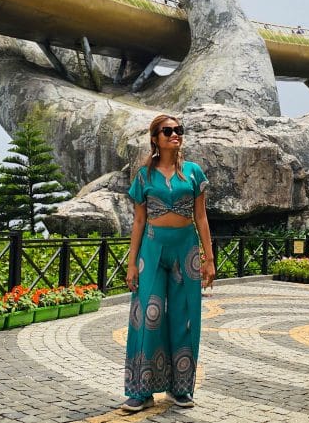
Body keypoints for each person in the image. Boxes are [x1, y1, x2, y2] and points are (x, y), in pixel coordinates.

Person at [122, 115, 215, 412]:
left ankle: (181, 389)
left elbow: (201, 217)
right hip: (152, 248)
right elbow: (138, 220)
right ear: (155, 139)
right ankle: (141, 390)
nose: (175, 134)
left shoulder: (193, 173)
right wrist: (132, 263)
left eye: (178, 130)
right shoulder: (144, 176)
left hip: (186, 247)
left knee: (184, 316)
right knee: (147, 315)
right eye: (168, 131)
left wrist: (209, 259)